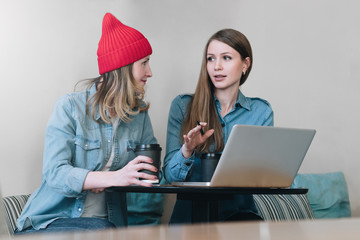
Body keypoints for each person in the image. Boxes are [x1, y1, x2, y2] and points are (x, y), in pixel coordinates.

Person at [16, 13, 164, 234]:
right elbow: (55, 173)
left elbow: (149, 176)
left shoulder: (138, 115)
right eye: (144, 63)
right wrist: (108, 177)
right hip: (50, 223)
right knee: (102, 229)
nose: (149, 72)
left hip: (108, 227)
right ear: (122, 67)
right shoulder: (70, 108)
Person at [163, 29, 274, 223]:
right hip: (191, 218)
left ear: (245, 64)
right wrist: (187, 150)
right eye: (211, 59)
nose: (217, 66)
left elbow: (263, 174)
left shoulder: (260, 111)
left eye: (227, 58)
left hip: (239, 218)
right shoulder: (182, 106)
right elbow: (169, 176)